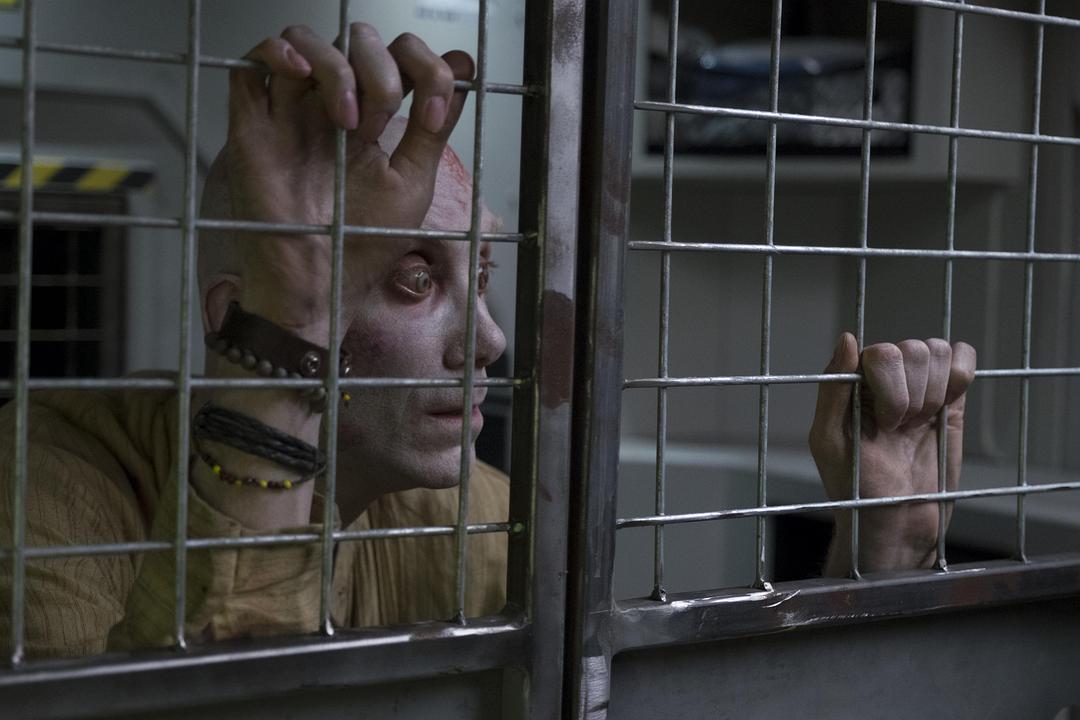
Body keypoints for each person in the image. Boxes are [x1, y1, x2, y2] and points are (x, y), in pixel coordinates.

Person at [0, 23, 976, 659]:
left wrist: (877, 555)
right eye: (414, 278)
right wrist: (286, 333)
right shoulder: (44, 483)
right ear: (230, 314)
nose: (493, 341)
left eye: (482, 278)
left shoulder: (478, 515)